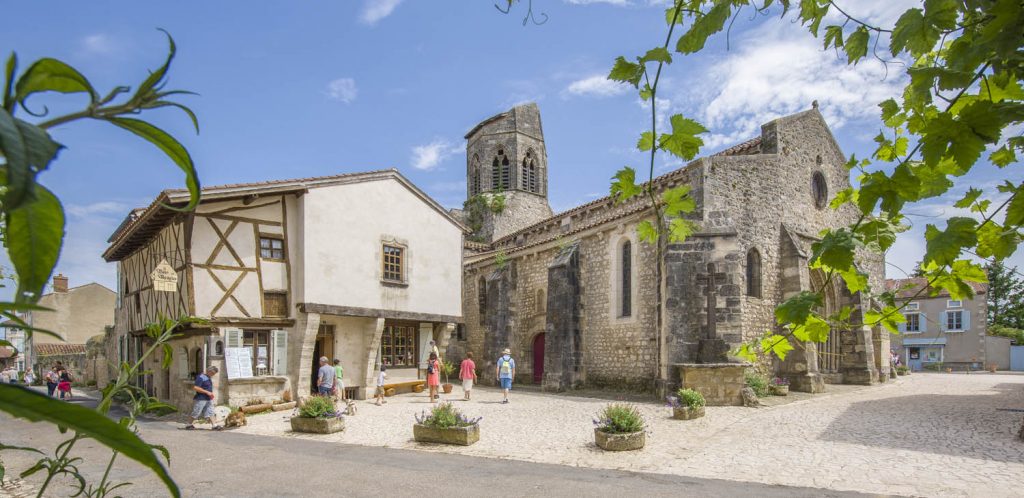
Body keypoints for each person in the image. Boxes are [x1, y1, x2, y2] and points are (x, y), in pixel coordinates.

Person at [185, 365, 223, 430]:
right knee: (196, 412)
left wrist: (209, 394)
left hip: (208, 398)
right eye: (212, 373)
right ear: (208, 371)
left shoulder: (208, 377)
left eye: (214, 374)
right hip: (201, 398)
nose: (213, 375)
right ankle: (189, 424)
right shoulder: (201, 377)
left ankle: (214, 425)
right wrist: (207, 392)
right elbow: (196, 387)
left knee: (211, 411)